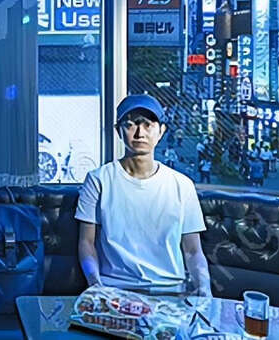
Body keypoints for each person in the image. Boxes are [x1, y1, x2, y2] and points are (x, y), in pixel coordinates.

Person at [75, 94, 211, 297]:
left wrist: (204, 287)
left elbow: (193, 251)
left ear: (161, 131)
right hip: (114, 291)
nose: (140, 133)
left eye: (148, 125)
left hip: (170, 291)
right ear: (118, 131)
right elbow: (86, 242)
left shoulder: (182, 185)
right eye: (130, 125)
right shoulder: (98, 180)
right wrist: (95, 285)